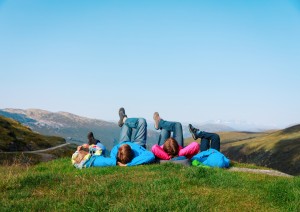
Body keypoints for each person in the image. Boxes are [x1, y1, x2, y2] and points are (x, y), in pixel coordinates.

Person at [72, 108, 155, 168]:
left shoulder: (114, 155)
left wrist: (85, 149)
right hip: (138, 144)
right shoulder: (138, 155)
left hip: (123, 142)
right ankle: (125, 119)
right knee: (142, 121)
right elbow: (150, 155)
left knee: (101, 148)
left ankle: (94, 142)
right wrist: (129, 164)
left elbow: (102, 155)